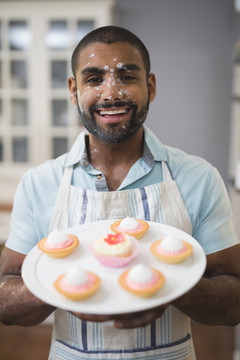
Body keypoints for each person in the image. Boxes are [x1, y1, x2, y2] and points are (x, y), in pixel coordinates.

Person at [0, 25, 240, 360]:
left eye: (126, 77)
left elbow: (234, 302)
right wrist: (64, 285)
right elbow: (5, 301)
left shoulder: (198, 178)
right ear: (73, 90)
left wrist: (169, 285)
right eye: (94, 79)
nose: (111, 93)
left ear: (150, 86)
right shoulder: (39, 183)